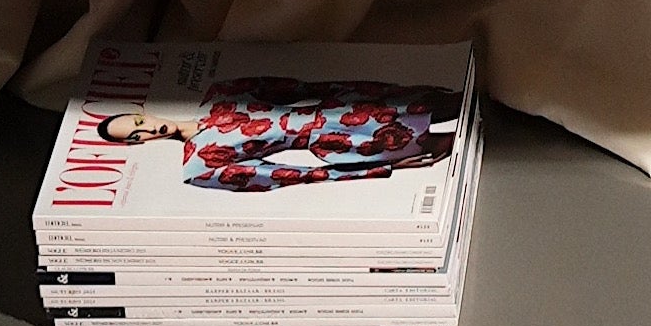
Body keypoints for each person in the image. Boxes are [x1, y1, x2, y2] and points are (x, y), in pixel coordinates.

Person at [98, 74, 463, 195]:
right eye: (136, 137)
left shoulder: (220, 94)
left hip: (349, 104)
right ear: (138, 146)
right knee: (452, 147)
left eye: (138, 122)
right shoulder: (198, 168)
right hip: (344, 145)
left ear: (142, 112)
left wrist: (378, 89)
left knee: (454, 104)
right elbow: (293, 176)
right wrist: (381, 169)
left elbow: (305, 86)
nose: (148, 130)